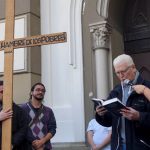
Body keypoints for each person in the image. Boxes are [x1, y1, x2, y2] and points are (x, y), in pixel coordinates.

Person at [95, 54, 150, 150]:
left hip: (141, 146)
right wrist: (101, 114)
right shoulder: (116, 90)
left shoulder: (147, 87)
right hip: (118, 146)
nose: (121, 76)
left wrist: (139, 116)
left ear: (133, 67)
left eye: (123, 71)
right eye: (117, 73)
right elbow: (109, 122)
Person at [21, 82, 57, 150]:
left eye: (43, 90)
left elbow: (53, 129)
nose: (40, 92)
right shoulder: (23, 109)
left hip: (45, 147)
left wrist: (42, 142)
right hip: (27, 147)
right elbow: (22, 129)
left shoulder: (48, 111)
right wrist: (35, 143)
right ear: (31, 92)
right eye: (38, 90)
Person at [0, 80, 28, 150]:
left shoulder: (20, 110)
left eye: (3, 92)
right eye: (0, 92)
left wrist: (12, 143)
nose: (2, 94)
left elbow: (23, 130)